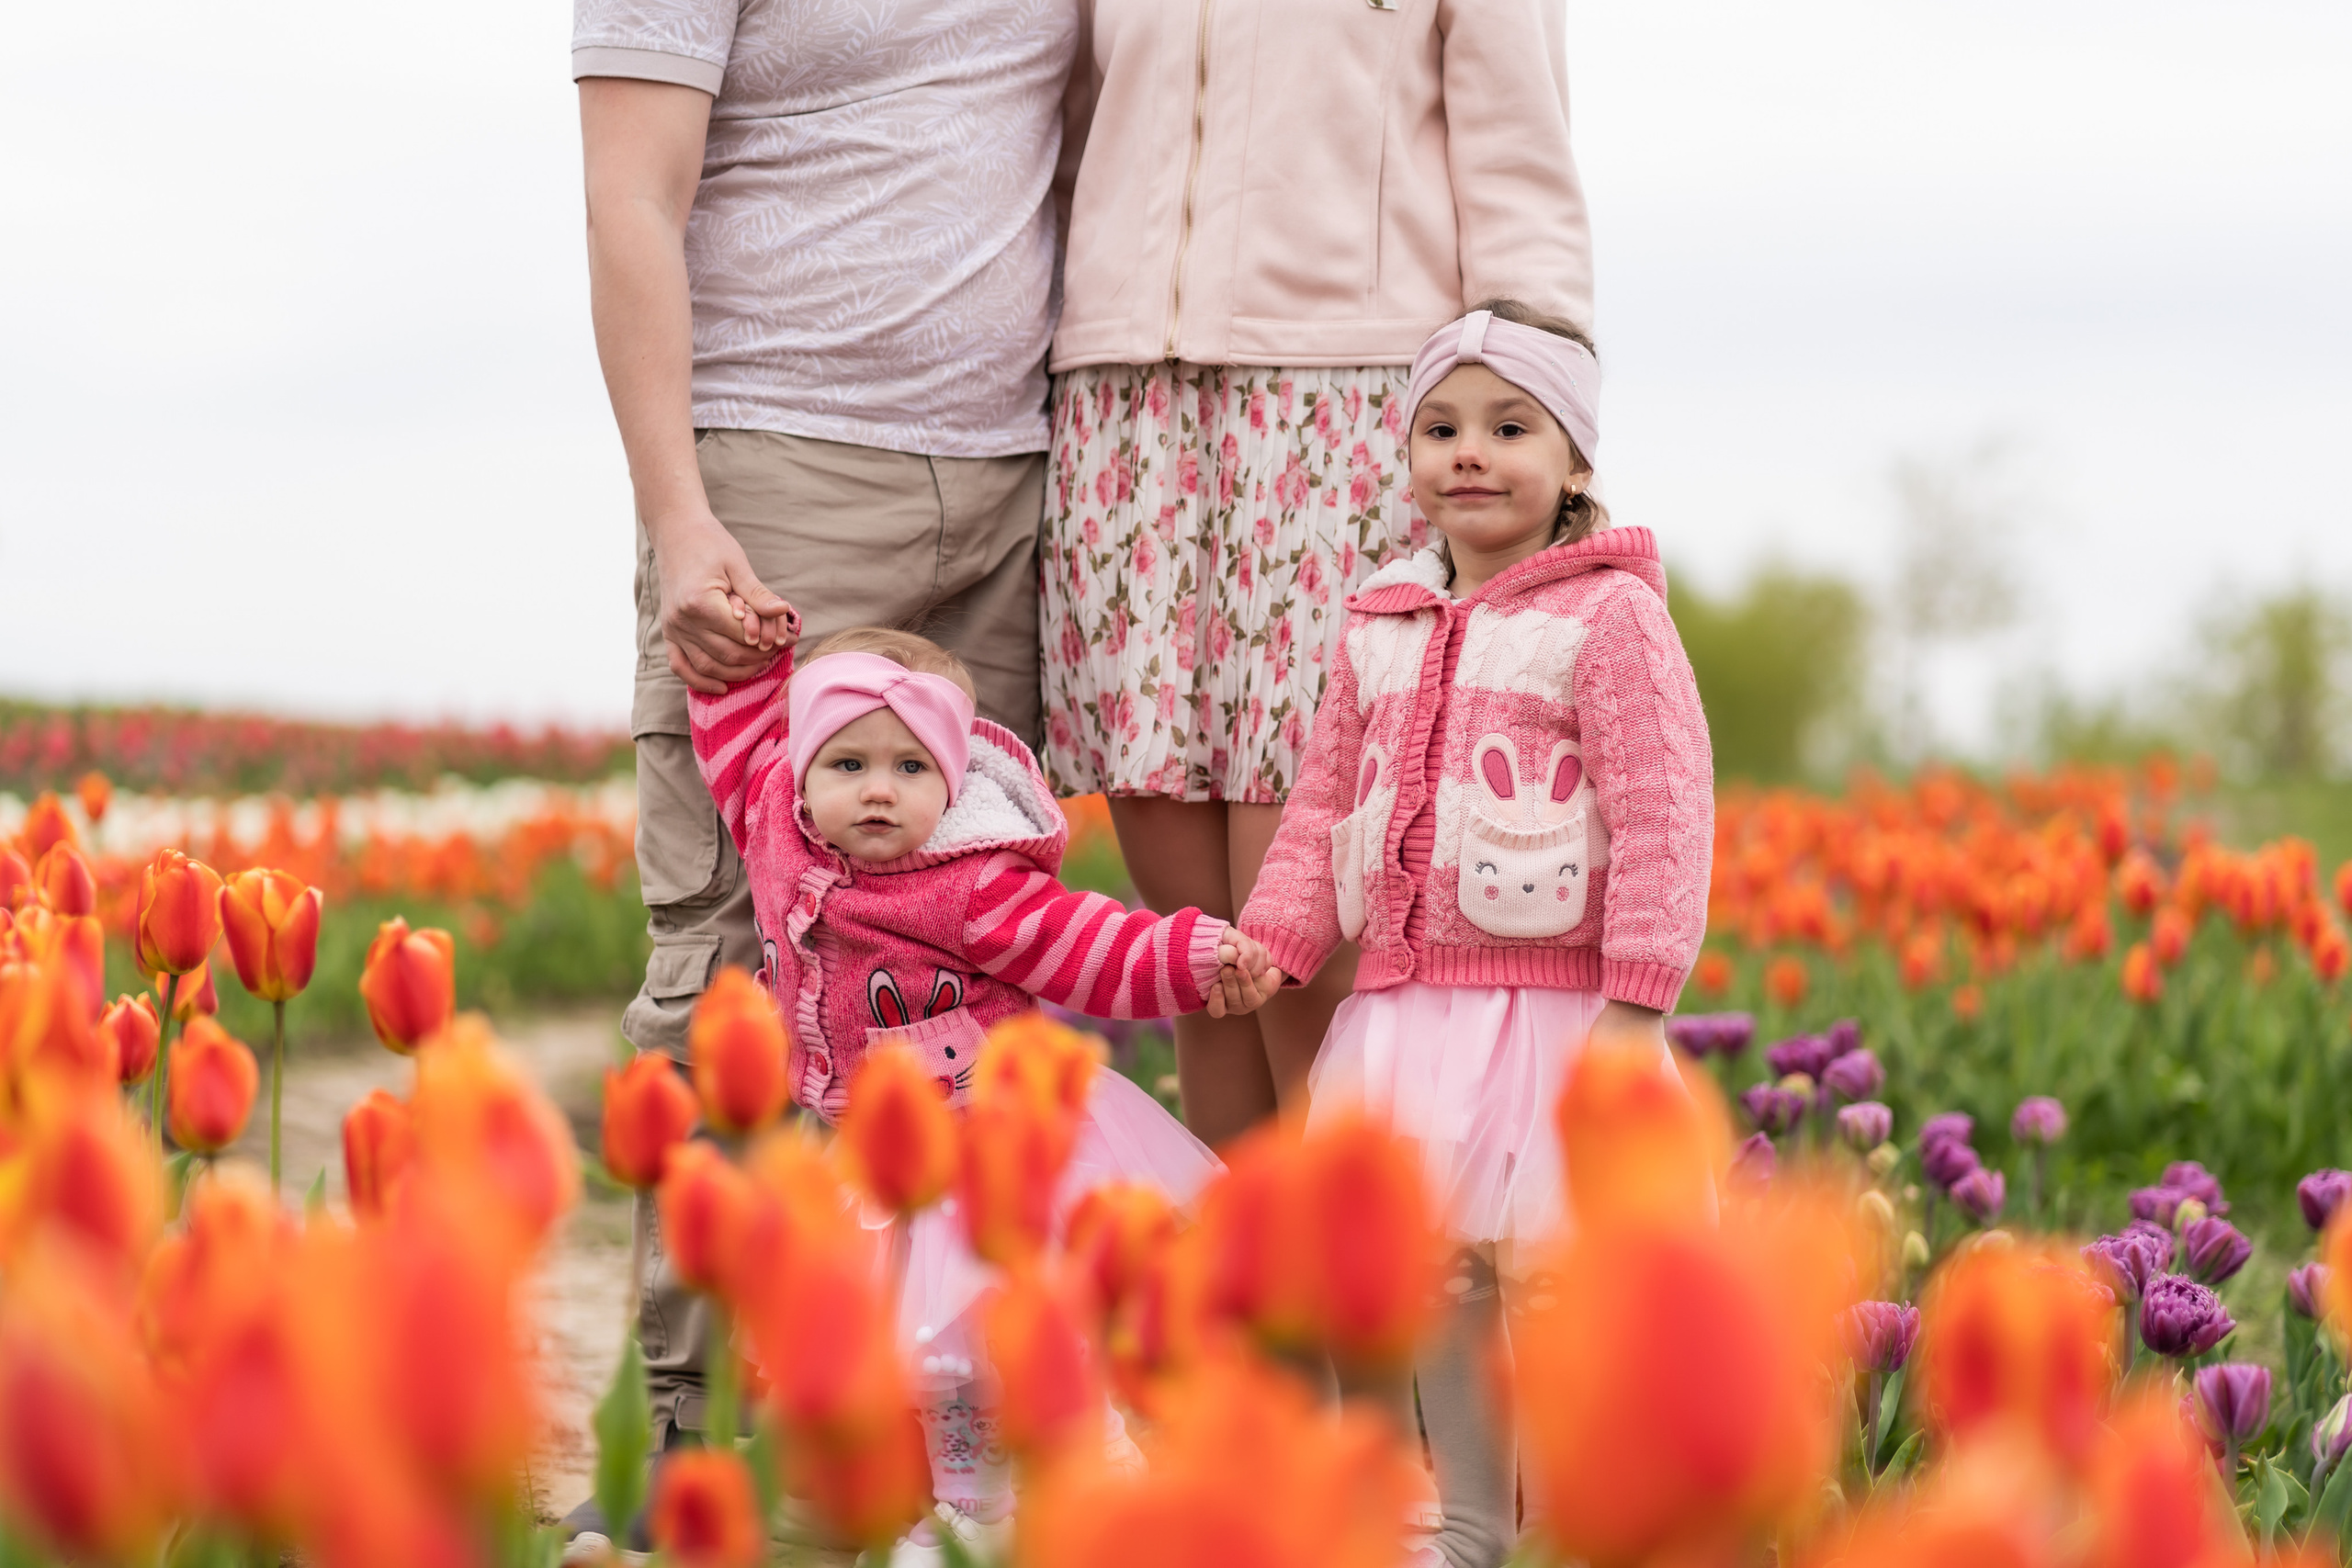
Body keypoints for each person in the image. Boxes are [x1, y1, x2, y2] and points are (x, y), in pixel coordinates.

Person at [571, 0, 1076, 1470]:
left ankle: (933, 1437)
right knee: (742, 964)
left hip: (1021, 478)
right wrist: (680, 518)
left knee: (965, 965)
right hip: (776, 467)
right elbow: (628, 193)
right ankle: (698, 1442)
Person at [1041, 0, 1597, 1148]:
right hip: (1125, 417)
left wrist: (1543, 438)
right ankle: (1250, 1309)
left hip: (1344, 415)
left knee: (1308, 936)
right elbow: (1063, 133)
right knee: (1195, 943)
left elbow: (1525, 184)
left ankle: (1362, 1299)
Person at [1237, 303, 1714, 1568]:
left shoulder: (1609, 618)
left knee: (1557, 1280)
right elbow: (1324, 806)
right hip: (1403, 1012)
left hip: (1559, 1010)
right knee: (1435, 1273)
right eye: (1442, 427)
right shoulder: (1379, 623)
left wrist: (1639, 997)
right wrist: (1275, 944)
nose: (1471, 452)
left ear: (1574, 462)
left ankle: (1585, 1520)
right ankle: (1468, 1528)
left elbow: (1666, 810)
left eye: (1512, 427)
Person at [686, 623, 1282, 1563]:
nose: (878, 789)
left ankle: (1046, 1499)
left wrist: (1196, 956)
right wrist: (732, 663)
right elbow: (731, 742)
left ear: (955, 783)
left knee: (994, 1335)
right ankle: (983, 1503)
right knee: (925, 1352)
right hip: (873, 1155)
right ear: (800, 772)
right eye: (847, 763)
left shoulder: (968, 886)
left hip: (993, 1148)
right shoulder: (774, 824)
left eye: (912, 769)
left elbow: (1086, 944)